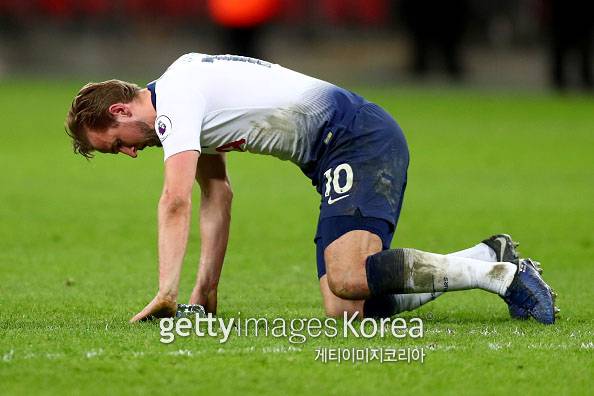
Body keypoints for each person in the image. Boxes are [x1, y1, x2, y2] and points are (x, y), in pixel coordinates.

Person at [65, 53, 558, 324]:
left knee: (346, 277)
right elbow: (218, 195)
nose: (129, 153)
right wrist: (205, 291)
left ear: (120, 111)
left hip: (355, 139)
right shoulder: (182, 88)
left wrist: (166, 293)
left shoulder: (174, 101)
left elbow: (175, 200)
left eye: (116, 145)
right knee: (345, 308)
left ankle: (499, 275)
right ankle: (484, 253)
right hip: (336, 152)